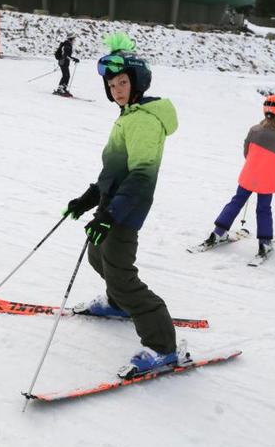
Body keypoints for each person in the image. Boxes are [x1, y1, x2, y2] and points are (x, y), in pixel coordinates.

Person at [63, 32, 185, 379]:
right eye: (111, 84)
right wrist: (90, 198)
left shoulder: (144, 120)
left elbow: (140, 177)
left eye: (122, 82)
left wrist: (110, 214)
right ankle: (118, 304)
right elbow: (115, 168)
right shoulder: (129, 115)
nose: (116, 90)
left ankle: (163, 347)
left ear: (138, 83)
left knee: (120, 273)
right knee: (97, 255)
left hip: (126, 209)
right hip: (112, 203)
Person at [198, 95, 275, 258]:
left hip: (248, 176)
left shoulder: (254, 130)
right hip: (267, 180)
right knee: (264, 209)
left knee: (236, 201)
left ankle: (218, 233)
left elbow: (247, 153)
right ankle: (265, 244)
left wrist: (256, 164)